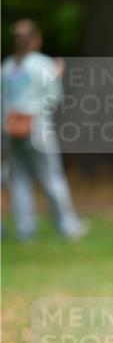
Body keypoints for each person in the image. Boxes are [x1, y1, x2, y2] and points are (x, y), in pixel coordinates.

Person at [1, 19, 88, 242]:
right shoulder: (42, 64)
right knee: (51, 177)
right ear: (36, 39)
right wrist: (57, 76)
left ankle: (25, 231)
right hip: (38, 128)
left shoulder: (7, 67)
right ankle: (67, 226)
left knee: (19, 178)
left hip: (10, 129)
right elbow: (55, 97)